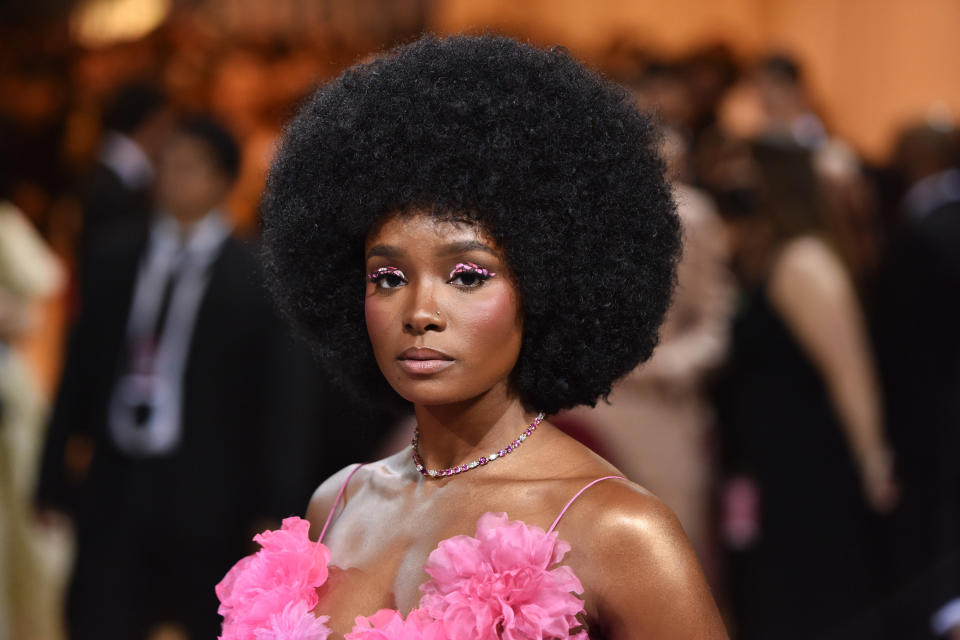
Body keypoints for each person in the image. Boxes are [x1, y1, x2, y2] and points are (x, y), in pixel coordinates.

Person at [216, 35, 728, 640]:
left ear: (546, 283)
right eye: (387, 277)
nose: (420, 312)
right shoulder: (339, 503)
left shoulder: (618, 529)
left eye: (467, 276)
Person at [35, 116, 332, 640]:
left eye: (189, 167)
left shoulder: (257, 277)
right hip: (117, 479)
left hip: (211, 487)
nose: (172, 178)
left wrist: (276, 506)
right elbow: (79, 370)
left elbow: (283, 402)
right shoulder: (113, 256)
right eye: (166, 164)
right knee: (98, 616)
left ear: (222, 180)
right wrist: (52, 476)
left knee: (210, 621)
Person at [712, 138, 898, 639]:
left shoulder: (804, 262)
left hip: (810, 471)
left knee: (810, 604)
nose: (734, 185)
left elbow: (851, 372)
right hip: (775, 465)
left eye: (746, 175)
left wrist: (874, 463)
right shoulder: (765, 253)